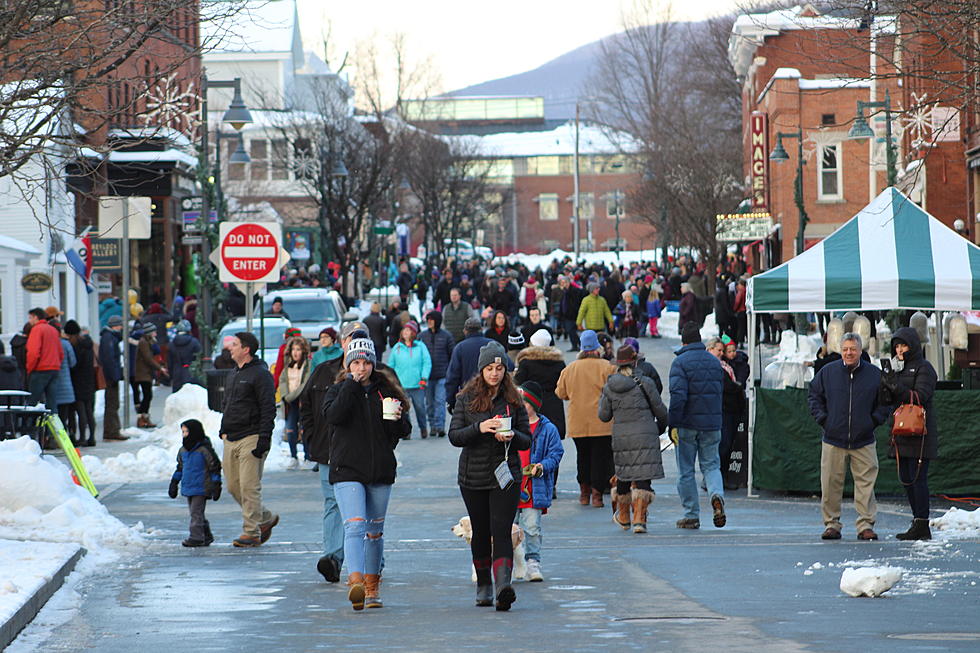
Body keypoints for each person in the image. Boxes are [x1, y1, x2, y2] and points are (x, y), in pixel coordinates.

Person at [323, 338, 410, 610]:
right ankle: (356, 582)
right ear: (348, 364)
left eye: (366, 362)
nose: (361, 368)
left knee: (375, 532)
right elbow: (333, 417)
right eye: (356, 362)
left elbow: (403, 431)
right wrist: (350, 384)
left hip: (380, 470)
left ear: (373, 364)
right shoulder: (338, 390)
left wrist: (396, 420)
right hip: (347, 468)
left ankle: (373, 588)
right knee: (355, 525)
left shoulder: (386, 392)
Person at [448, 341, 531, 611]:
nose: (495, 373)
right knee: (481, 532)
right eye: (490, 368)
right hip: (473, 476)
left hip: (506, 475)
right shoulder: (465, 398)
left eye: (499, 368)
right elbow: (455, 436)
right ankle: (484, 585)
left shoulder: (514, 400)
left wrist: (511, 436)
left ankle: (503, 587)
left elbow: (526, 440)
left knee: (502, 530)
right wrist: (480, 427)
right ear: (481, 370)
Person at [807, 332, 887, 541]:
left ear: (861, 350)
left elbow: (885, 401)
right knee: (830, 484)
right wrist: (824, 420)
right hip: (833, 439)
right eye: (845, 349)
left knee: (866, 485)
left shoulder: (874, 374)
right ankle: (832, 524)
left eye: (853, 349)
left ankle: (865, 525)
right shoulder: (827, 372)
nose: (849, 353)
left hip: (864, 439)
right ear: (840, 350)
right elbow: (813, 395)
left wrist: (873, 421)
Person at [599, 345, 668, 533]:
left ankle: (623, 517)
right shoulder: (645, 382)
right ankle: (639, 519)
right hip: (645, 434)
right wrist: (661, 427)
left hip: (622, 436)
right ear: (635, 361)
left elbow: (603, 416)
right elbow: (660, 410)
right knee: (643, 476)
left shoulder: (609, 386)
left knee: (623, 474)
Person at [220, 332, 279, 548]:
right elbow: (227, 403)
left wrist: (264, 438)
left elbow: (268, 407)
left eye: (234, 345)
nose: (230, 348)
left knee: (249, 486)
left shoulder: (260, 374)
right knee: (234, 487)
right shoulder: (234, 373)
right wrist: (223, 430)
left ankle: (251, 532)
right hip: (231, 437)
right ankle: (264, 518)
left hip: (252, 436)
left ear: (246, 349)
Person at [878, 327, 938, 541]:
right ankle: (916, 520)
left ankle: (922, 523)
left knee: (917, 479)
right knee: (906, 479)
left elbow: (920, 397)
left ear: (912, 346)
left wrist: (897, 387)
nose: (900, 349)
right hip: (901, 432)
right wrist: (887, 385)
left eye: (903, 345)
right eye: (896, 346)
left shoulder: (925, 368)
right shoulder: (899, 369)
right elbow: (891, 400)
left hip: (919, 433)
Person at [669, 323, 726, 530]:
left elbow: (678, 397)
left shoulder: (679, 363)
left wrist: (672, 423)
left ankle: (691, 514)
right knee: (711, 465)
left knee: (686, 470)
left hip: (687, 424)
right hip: (712, 424)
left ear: (683, 340)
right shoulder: (714, 362)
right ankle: (716, 495)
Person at [556, 330, 616, 508]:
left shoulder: (570, 369)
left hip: (578, 422)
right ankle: (597, 495)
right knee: (600, 457)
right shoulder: (608, 367)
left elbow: (561, 393)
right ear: (597, 348)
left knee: (583, 456)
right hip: (602, 421)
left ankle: (584, 494)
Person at [516, 381, 563, 581]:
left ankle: (532, 563)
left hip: (533, 487)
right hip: (510, 485)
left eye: (524, 402)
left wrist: (543, 466)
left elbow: (556, 452)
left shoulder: (547, 428)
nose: (520, 406)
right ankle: (511, 563)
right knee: (508, 528)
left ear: (533, 404)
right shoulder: (510, 424)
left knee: (532, 527)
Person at [168, 419, 222, 547]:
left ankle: (196, 537)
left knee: (195, 513)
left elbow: (214, 467)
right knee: (197, 513)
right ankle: (206, 535)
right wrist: (174, 482)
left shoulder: (204, 449)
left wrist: (216, 484)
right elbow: (180, 467)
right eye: (183, 432)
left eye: (186, 431)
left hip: (202, 487)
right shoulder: (183, 450)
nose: (184, 434)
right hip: (188, 486)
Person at [446, 317, 514, 410]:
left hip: (469, 397)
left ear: (465, 331)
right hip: (494, 395)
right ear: (481, 329)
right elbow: (510, 366)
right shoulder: (493, 344)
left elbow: (453, 378)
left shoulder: (460, 348)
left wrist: (451, 401)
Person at [514, 329, 567, 439]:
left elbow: (517, 382)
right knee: (553, 438)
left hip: (532, 402)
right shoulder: (559, 362)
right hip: (554, 402)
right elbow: (563, 383)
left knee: (533, 437)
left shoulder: (526, 362)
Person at [707, 337, 745, 485]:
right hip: (721, 409)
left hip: (730, 409)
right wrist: (737, 387)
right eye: (719, 350)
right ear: (710, 349)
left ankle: (722, 476)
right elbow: (726, 386)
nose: (722, 353)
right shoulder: (713, 366)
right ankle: (715, 477)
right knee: (721, 445)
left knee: (727, 444)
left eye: (723, 351)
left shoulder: (726, 364)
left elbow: (742, 368)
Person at [388, 320, 432, 439]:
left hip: (417, 384)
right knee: (403, 410)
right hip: (401, 385)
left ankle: (423, 428)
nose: (405, 332)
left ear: (413, 332)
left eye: (408, 330)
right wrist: (392, 381)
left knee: (420, 408)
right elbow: (390, 366)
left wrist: (424, 377)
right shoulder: (397, 347)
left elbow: (427, 363)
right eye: (404, 330)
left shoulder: (420, 346)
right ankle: (406, 432)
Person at [419, 311, 455, 438]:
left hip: (442, 374)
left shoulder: (446, 336)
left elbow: (452, 355)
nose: (429, 322)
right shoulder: (422, 336)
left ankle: (440, 426)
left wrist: (450, 371)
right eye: (427, 319)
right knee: (429, 402)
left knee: (440, 401)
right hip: (427, 376)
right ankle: (432, 426)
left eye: (431, 319)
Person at [279, 335, 312, 469]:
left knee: (304, 429)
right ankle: (293, 457)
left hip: (302, 401)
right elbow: (282, 381)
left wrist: (293, 395)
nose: (295, 352)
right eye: (293, 349)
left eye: (298, 349)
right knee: (291, 429)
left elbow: (305, 383)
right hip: (289, 402)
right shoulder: (288, 366)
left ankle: (307, 457)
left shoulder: (307, 365)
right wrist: (286, 395)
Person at [65, 320, 97, 447]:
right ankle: (92, 437)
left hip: (78, 381)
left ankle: (82, 437)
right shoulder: (88, 344)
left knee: (80, 410)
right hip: (89, 380)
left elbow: (74, 365)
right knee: (89, 410)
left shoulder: (76, 346)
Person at [25, 307, 63, 410]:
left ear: (35, 317)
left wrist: (29, 369)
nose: (29, 321)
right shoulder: (53, 330)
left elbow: (33, 353)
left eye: (30, 318)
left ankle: (30, 425)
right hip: (54, 369)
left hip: (40, 369)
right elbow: (60, 352)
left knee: (32, 402)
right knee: (52, 403)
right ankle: (54, 425)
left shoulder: (36, 330)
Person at [98, 315, 127, 441]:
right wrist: (115, 376)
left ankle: (112, 430)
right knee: (112, 404)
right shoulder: (109, 338)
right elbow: (109, 360)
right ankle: (112, 431)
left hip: (111, 375)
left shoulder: (109, 337)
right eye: (120, 325)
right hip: (110, 377)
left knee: (113, 404)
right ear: (115, 325)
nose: (121, 328)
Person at [133, 326, 165, 428]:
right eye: (154, 332)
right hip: (143, 373)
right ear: (149, 333)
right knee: (147, 395)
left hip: (146, 372)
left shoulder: (148, 341)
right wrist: (160, 368)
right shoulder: (144, 342)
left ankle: (144, 418)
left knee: (148, 395)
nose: (156, 333)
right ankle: (142, 418)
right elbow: (148, 358)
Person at [51, 322, 77, 441]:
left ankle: (54, 438)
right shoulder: (66, 344)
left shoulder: (49, 344)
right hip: (66, 385)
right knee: (65, 415)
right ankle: (66, 437)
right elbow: (73, 362)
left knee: (53, 416)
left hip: (52, 385)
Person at [168, 320, 201, 393]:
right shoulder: (194, 342)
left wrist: (171, 376)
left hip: (177, 374)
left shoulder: (172, 344)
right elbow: (199, 358)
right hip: (191, 373)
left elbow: (170, 363)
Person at [556, 275, 584, 352]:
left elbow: (575, 303)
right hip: (566, 314)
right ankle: (576, 345)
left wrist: (573, 311)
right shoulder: (565, 291)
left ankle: (579, 345)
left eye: (564, 282)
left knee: (571, 330)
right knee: (570, 331)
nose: (562, 284)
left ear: (568, 283)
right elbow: (563, 303)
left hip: (571, 314)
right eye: (562, 282)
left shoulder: (573, 291)